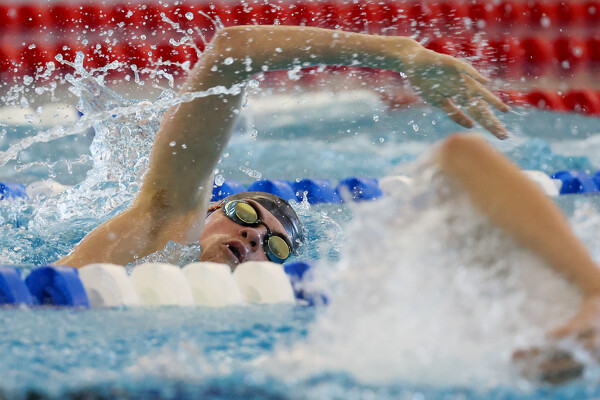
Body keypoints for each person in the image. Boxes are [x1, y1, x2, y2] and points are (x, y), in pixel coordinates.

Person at [55, 25, 600, 380]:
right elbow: (231, 50)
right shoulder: (161, 225)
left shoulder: (262, 323)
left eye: (273, 246)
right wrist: (401, 54)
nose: (254, 236)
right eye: (246, 215)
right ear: (211, 211)